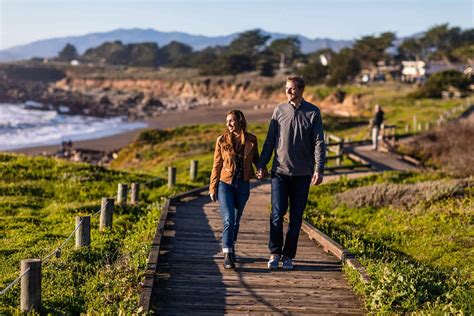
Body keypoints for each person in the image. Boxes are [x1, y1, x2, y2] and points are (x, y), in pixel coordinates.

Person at [256, 75, 325, 270]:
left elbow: (319, 142)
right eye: (287, 88)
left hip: (302, 174)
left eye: (292, 88)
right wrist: (261, 164)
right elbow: (270, 140)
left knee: (296, 217)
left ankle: (288, 255)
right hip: (279, 172)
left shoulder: (313, 112)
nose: (288, 91)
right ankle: (275, 252)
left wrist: (319, 169)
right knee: (277, 214)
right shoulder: (279, 110)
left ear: (301, 90)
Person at [209, 110, 261, 269]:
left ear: (240, 120)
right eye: (227, 122)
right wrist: (213, 187)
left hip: (243, 185)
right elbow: (216, 165)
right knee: (229, 219)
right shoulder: (221, 140)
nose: (228, 124)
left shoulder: (251, 139)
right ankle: (226, 255)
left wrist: (261, 170)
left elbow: (257, 160)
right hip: (225, 184)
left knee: (236, 221)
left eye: (231, 121)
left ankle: (231, 249)